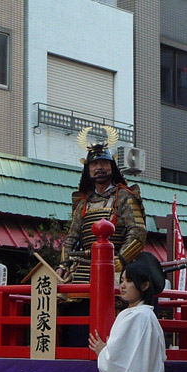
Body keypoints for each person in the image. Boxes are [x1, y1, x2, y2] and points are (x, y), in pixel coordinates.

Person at [55, 139, 147, 346]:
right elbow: (71, 237)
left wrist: (120, 259)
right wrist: (63, 265)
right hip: (83, 270)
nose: (99, 168)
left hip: (117, 268)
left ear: (112, 167)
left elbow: (138, 232)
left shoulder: (125, 197)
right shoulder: (84, 203)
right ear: (87, 170)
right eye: (93, 165)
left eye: (104, 163)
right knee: (71, 316)